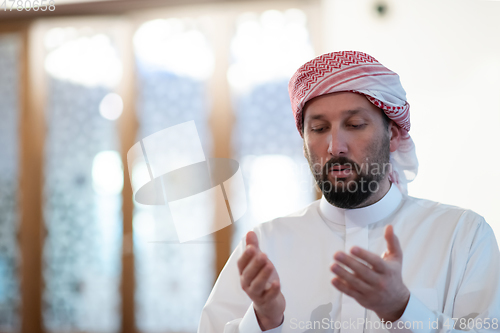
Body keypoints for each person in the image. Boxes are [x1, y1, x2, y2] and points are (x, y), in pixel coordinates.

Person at [197, 51, 500, 332]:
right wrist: (265, 320)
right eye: (318, 129)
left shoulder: (462, 235)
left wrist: (401, 309)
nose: (334, 147)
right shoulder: (266, 245)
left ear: (392, 135)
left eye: (354, 124)